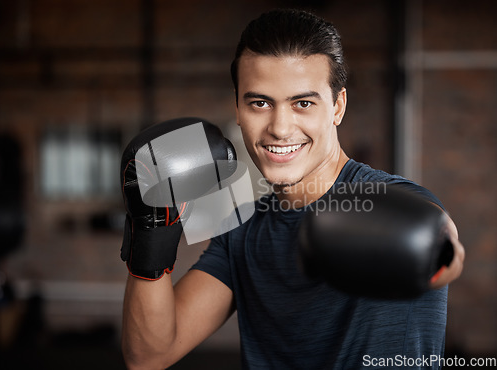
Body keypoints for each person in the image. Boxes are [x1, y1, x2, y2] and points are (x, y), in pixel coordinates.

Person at [121, 9, 465, 369]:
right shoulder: (242, 230)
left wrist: (433, 253)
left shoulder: (392, 200)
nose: (280, 128)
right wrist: (151, 230)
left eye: (303, 103)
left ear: (337, 107)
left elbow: (446, 248)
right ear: (237, 109)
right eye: (260, 103)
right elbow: (149, 355)